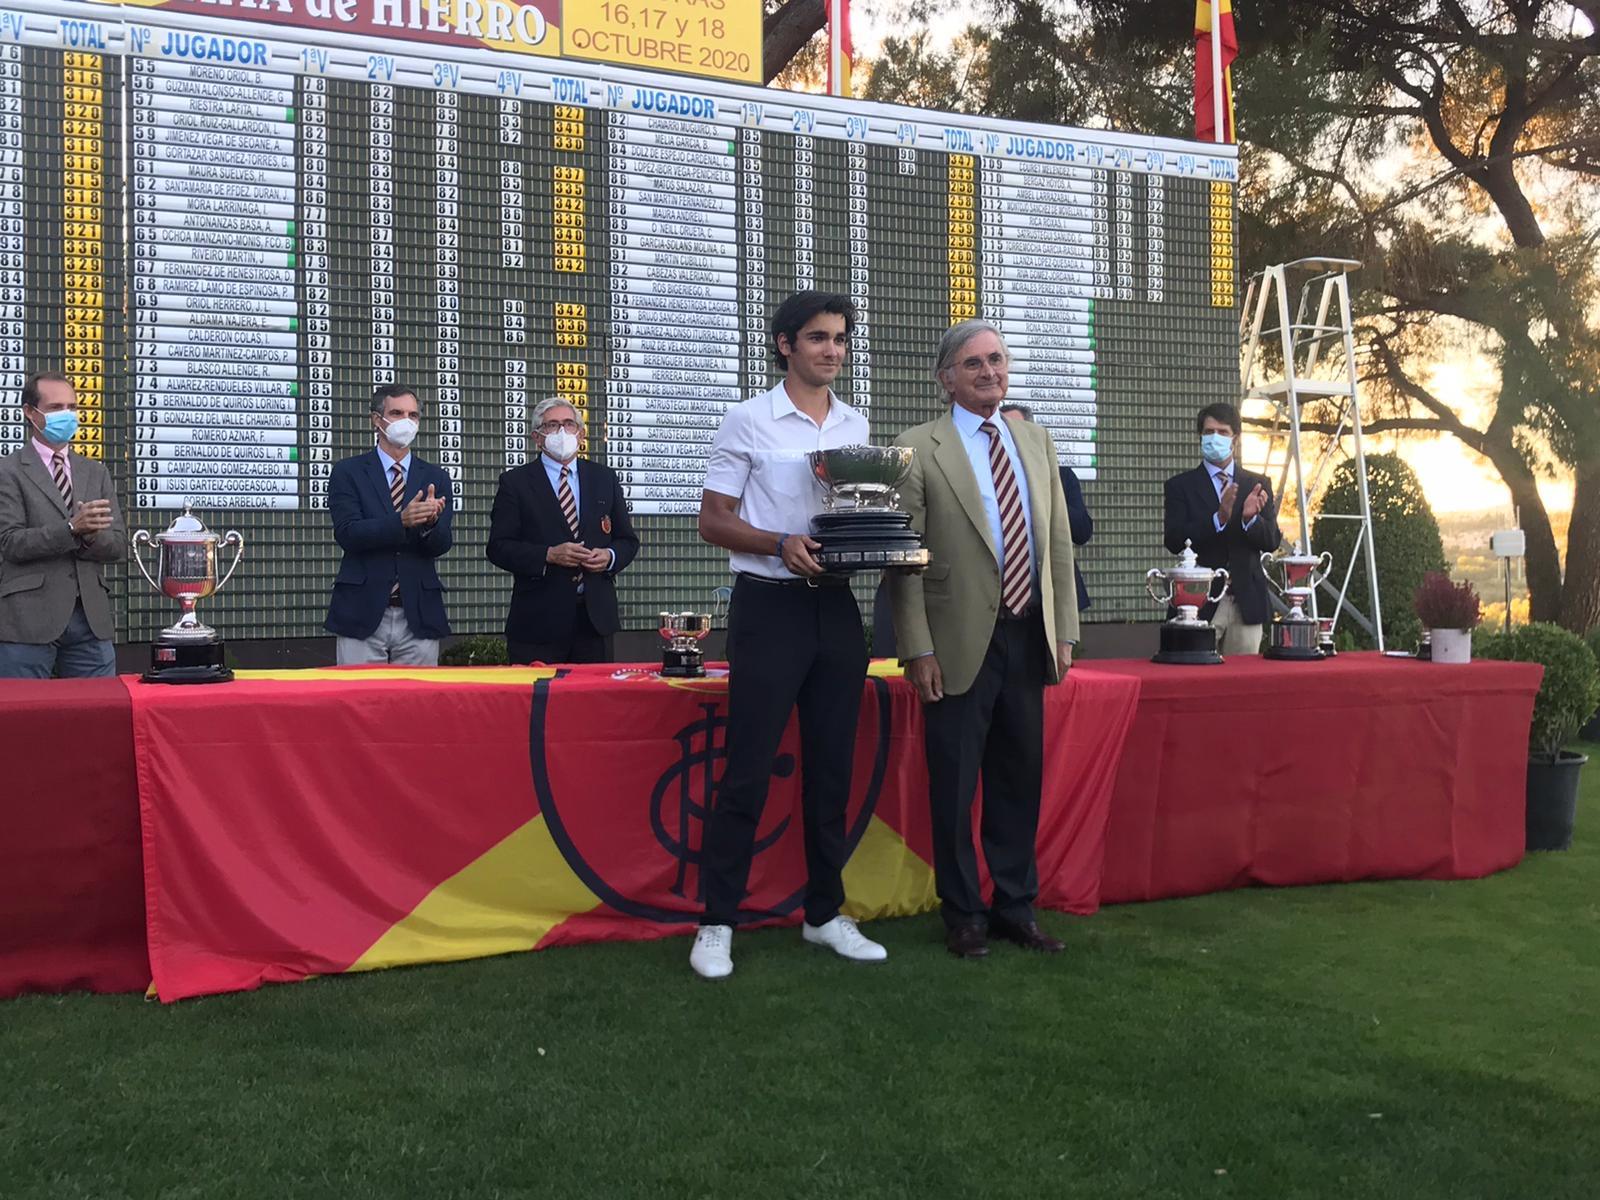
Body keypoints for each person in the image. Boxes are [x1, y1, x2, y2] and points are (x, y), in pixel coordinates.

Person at [689, 290, 887, 979]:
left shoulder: (857, 422)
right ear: (785, 345)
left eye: (839, 339)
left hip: (836, 611)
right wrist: (778, 543)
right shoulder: (748, 419)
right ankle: (717, 922)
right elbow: (713, 521)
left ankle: (825, 914)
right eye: (818, 338)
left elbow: (857, 515)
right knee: (746, 770)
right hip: (768, 607)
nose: (832, 350)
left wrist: (881, 544)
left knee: (832, 770)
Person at [889, 320, 1079, 960]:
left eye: (997, 359)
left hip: (1029, 639)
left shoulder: (1035, 439)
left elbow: (1054, 545)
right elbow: (903, 557)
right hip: (955, 645)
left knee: (1017, 783)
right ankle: (964, 915)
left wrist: (1066, 630)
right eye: (973, 364)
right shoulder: (918, 447)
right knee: (955, 785)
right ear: (947, 377)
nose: (989, 372)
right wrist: (917, 648)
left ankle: (1015, 909)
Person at [486, 397, 638, 664]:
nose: (562, 432)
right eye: (552, 425)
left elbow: (627, 540)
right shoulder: (515, 482)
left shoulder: (605, 478)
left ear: (580, 434)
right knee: (537, 705)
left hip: (594, 622)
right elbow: (499, 547)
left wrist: (609, 557)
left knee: (595, 703)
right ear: (537, 437)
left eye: (569, 425)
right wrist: (547, 554)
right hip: (537, 623)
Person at [0, 372, 126, 677]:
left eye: (72, 407)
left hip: (90, 621)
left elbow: (118, 544)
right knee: (24, 721)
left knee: (97, 717)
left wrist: (89, 535)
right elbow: (10, 542)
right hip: (28, 622)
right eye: (56, 408)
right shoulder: (8, 471)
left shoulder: (95, 473)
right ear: (30, 413)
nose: (67, 415)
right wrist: (71, 529)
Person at [325, 384, 453, 665]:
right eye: (397, 413)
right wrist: (402, 521)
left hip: (418, 612)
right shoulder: (348, 472)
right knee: (358, 702)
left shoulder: (436, 476)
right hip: (362, 610)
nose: (406, 422)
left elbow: (442, 544)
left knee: (417, 703)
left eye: (413, 415)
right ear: (376, 420)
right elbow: (348, 533)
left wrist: (429, 525)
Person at [1162, 402, 1281, 655]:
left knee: (1241, 687)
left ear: (1235, 438)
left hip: (1245, 603)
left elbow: (1272, 540)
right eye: (1208, 432)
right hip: (1197, 604)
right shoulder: (1180, 486)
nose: (1215, 438)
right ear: (1200, 437)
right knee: (1194, 680)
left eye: (1223, 432)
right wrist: (1218, 519)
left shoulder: (1257, 484)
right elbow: (1173, 539)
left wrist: (1249, 520)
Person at [1001, 402, 1093, 615]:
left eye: (1017, 429)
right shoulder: (989, 477)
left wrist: (1044, 488)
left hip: (1054, 591)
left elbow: (1082, 532)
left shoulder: (1060, 476)